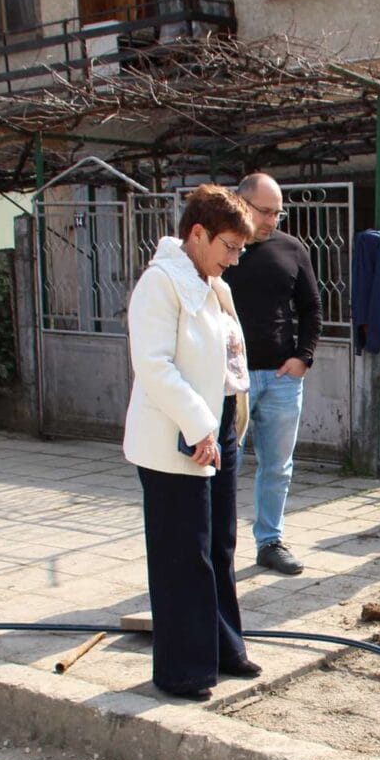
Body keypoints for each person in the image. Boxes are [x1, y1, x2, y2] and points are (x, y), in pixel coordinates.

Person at [122, 184, 262, 700]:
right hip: (176, 435)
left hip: (216, 429)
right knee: (184, 554)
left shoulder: (211, 281)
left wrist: (225, 422)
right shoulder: (161, 284)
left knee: (219, 545)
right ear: (197, 234)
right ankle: (183, 669)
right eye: (229, 246)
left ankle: (224, 648)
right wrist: (199, 425)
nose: (234, 258)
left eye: (240, 249)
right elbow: (154, 366)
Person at [223, 172, 322, 576]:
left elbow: (312, 308)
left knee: (278, 466)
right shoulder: (223, 250)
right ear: (241, 204)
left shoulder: (291, 249)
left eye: (277, 213)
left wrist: (303, 358)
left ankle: (270, 541)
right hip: (232, 381)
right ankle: (219, 548)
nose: (271, 221)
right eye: (264, 211)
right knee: (226, 464)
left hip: (282, 377)